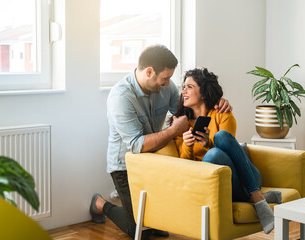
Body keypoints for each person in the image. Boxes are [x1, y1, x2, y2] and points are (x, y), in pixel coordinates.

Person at [89, 45, 233, 239]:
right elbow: (136, 146)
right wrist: (173, 130)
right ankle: (100, 204)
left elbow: (187, 111)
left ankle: (152, 222)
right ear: (149, 72)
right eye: (165, 78)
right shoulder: (121, 98)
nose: (168, 84)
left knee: (158, 220)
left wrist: (217, 100)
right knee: (137, 230)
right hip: (125, 165)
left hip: (155, 160)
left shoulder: (167, 88)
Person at [171, 67, 282, 234]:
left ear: (203, 93)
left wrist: (208, 143)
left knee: (220, 138)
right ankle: (259, 198)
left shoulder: (223, 115)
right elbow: (183, 165)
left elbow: (229, 151)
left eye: (189, 87)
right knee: (212, 155)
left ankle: (257, 197)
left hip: (245, 176)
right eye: (183, 87)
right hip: (217, 183)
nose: (183, 91)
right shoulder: (181, 123)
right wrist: (188, 144)